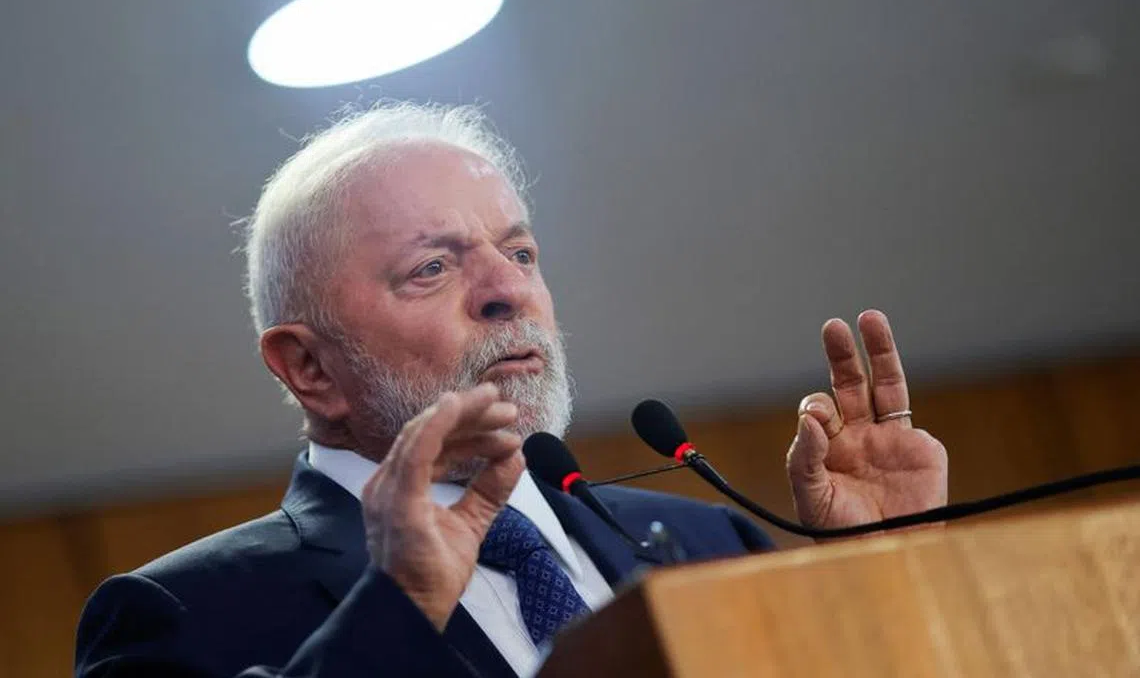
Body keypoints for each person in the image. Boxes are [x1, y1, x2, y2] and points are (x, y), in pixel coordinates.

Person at [75, 102, 948, 678]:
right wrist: (401, 605)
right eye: (431, 267)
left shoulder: (709, 543)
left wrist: (890, 580)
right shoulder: (177, 617)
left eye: (520, 253)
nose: (510, 290)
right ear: (309, 367)